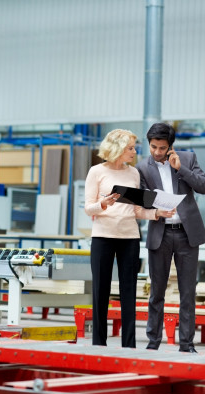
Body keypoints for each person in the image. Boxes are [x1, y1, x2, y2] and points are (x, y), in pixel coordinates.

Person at [85, 129, 173, 348]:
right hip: (103, 236)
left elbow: (136, 211)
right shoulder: (96, 172)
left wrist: (156, 213)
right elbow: (88, 208)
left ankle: (129, 345)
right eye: (131, 148)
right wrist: (103, 204)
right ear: (117, 149)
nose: (135, 152)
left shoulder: (133, 174)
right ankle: (99, 344)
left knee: (129, 292)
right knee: (100, 291)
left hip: (130, 237)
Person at [136, 122, 205, 353]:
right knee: (157, 292)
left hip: (187, 235)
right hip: (160, 233)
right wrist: (155, 207)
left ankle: (186, 344)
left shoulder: (187, 158)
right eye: (153, 146)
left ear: (170, 146)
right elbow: (141, 201)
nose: (157, 152)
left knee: (188, 292)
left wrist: (180, 170)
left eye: (162, 147)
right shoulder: (142, 168)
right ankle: (153, 342)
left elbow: (203, 186)